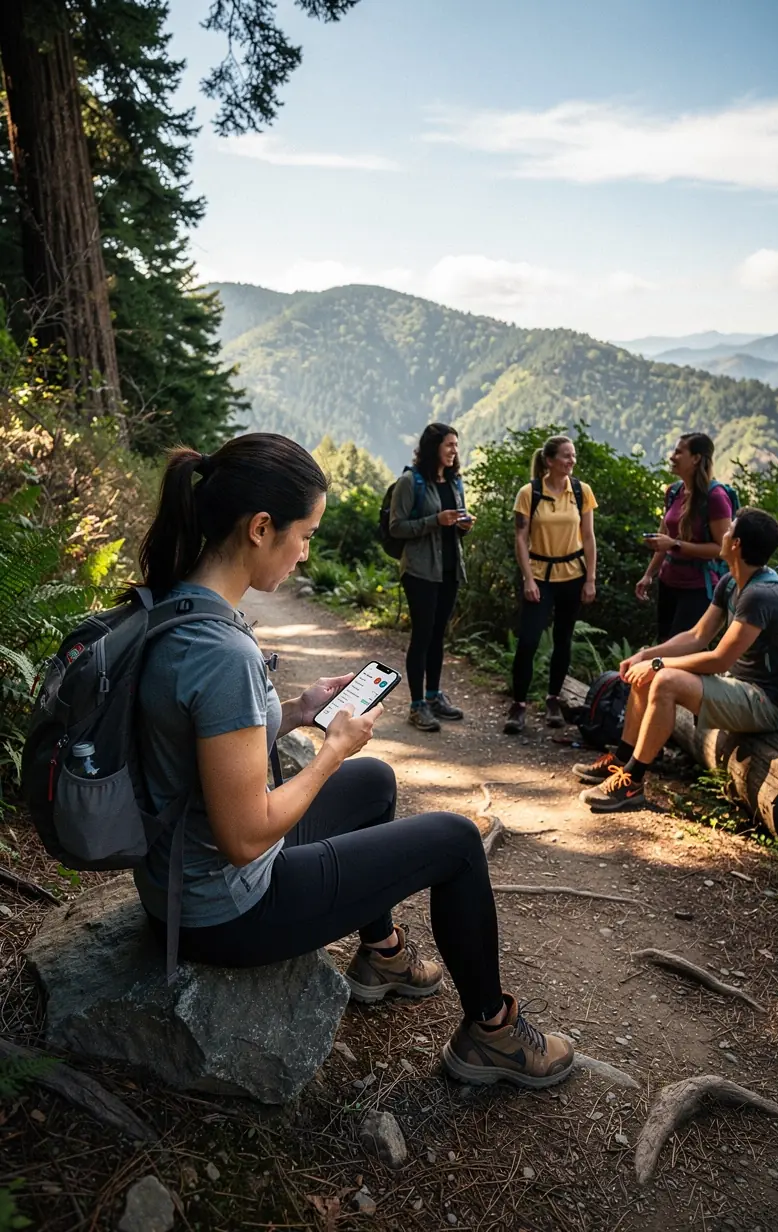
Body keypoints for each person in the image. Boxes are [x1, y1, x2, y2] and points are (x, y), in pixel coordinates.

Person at [134, 432, 573, 1089]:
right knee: (455, 840)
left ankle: (383, 957)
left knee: (374, 780)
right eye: (304, 534)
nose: (306, 549)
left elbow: (203, 741)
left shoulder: (177, 605)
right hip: (224, 912)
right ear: (260, 528)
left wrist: (301, 708)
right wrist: (330, 751)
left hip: (183, 877)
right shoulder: (220, 652)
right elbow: (246, 831)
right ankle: (493, 1032)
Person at [573, 507, 778, 811]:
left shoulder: (762, 595)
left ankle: (632, 783)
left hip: (765, 704)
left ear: (737, 544)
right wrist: (646, 655)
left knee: (665, 679)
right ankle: (622, 759)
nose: (724, 532)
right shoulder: (731, 583)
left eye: (730, 529)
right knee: (650, 672)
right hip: (740, 687)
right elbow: (696, 636)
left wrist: (658, 665)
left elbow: (719, 660)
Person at [504, 436, 597, 735]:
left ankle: (553, 700)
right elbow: (520, 538)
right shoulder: (528, 493)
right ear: (549, 460)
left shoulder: (581, 492)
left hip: (573, 575)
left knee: (563, 641)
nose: (571, 461)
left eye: (573, 456)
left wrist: (591, 579)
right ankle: (518, 705)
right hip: (539, 576)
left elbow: (589, 537)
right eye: (565, 456)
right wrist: (528, 578)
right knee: (529, 641)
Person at [389, 423, 473, 733]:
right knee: (422, 636)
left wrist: (463, 524)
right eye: (449, 445)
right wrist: (434, 521)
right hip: (420, 571)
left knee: (439, 636)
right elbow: (397, 527)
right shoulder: (411, 482)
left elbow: (455, 523)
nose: (454, 451)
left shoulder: (454, 482)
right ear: (433, 447)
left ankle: (434, 696)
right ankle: (416, 705)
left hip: (450, 570)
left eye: (456, 445)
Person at [636, 433, 733, 641]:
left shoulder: (715, 497)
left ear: (696, 458)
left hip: (698, 588)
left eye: (679, 452)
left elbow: (722, 548)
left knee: (678, 649)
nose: (672, 457)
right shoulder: (673, 491)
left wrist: (675, 544)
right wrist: (649, 574)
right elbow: (664, 538)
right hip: (668, 582)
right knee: (664, 643)